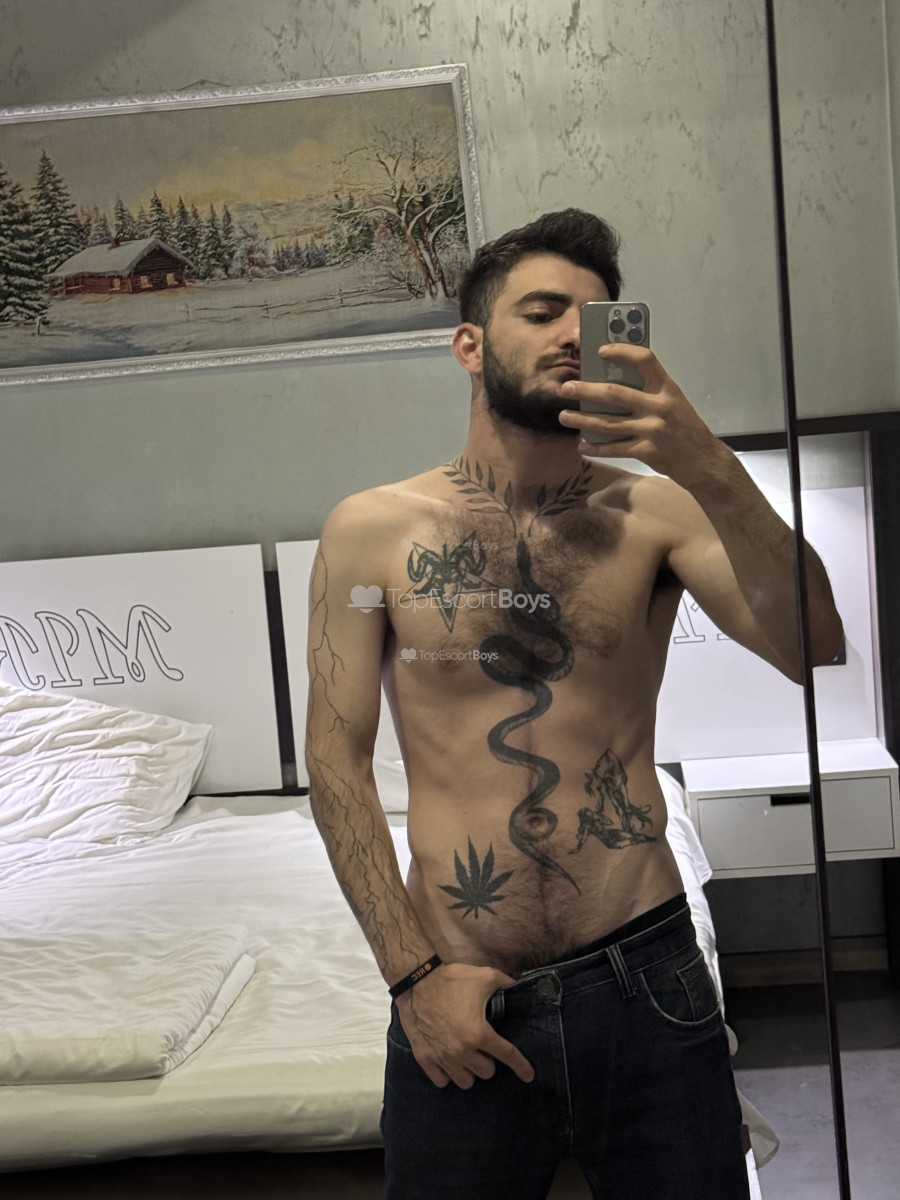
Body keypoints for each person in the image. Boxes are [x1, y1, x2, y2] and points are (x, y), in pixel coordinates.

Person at [305, 209, 843, 1200]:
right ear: (470, 345)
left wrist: (705, 461)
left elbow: (815, 645)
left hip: (648, 979)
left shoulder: (657, 512)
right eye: (542, 311)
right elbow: (334, 760)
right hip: (460, 993)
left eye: (591, 320)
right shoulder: (371, 533)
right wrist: (412, 979)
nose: (569, 336)